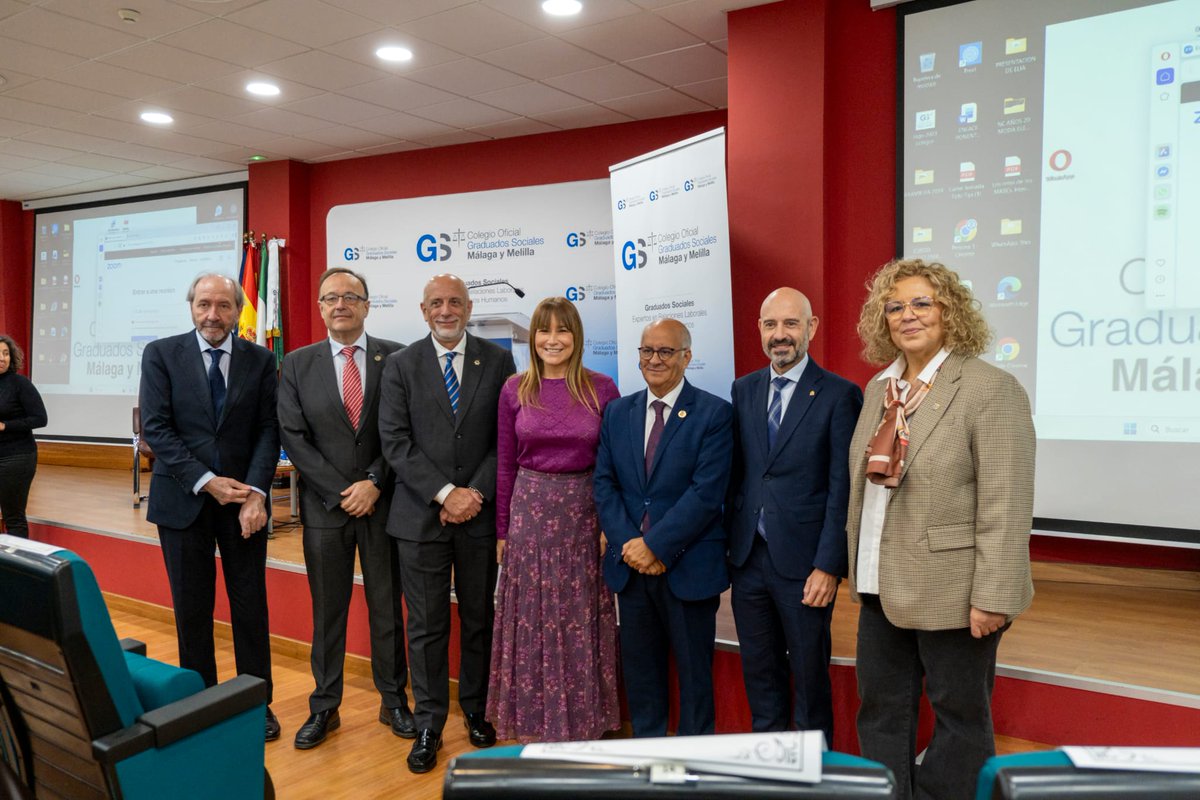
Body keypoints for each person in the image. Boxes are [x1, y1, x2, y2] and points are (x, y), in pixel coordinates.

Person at [846, 258, 1035, 800]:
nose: (908, 316)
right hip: (880, 582)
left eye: (921, 303)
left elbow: (1007, 502)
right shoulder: (878, 389)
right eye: (895, 307)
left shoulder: (989, 389)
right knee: (880, 710)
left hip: (954, 589)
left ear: (950, 311)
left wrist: (993, 595)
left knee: (959, 719)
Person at [379, 274, 516, 773]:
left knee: (480, 619)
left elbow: (507, 437)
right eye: (436, 303)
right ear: (422, 310)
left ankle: (476, 709)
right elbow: (394, 442)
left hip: (477, 519)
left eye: (454, 302)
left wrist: (473, 494)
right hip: (420, 519)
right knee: (427, 626)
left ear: (468, 306)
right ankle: (430, 720)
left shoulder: (498, 361)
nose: (445, 310)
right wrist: (444, 494)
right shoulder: (399, 364)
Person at [139, 272, 282, 741]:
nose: (212, 315)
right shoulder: (161, 354)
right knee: (192, 609)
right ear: (191, 306)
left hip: (245, 504)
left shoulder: (260, 360)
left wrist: (257, 492)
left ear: (238, 309)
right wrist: (207, 482)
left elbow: (268, 430)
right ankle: (201, 704)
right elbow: (156, 430)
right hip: (183, 500)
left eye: (223, 305)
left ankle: (256, 703)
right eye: (204, 304)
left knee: (250, 608)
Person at [278, 267, 412, 750]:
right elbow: (294, 437)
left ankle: (394, 700)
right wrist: (342, 492)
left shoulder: (395, 357)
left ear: (366, 305)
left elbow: (402, 431)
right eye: (331, 297)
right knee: (328, 611)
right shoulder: (296, 364)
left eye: (350, 296)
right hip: (325, 509)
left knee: (386, 609)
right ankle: (324, 706)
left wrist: (374, 481)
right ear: (319, 307)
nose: (340, 304)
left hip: (383, 504)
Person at [726, 288, 862, 745]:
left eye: (791, 324)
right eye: (770, 325)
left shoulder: (840, 395)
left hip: (805, 565)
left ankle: (812, 769)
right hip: (748, 559)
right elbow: (743, 474)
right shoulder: (743, 389)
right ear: (759, 329)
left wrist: (829, 565)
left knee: (808, 676)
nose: (780, 335)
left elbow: (842, 487)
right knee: (759, 672)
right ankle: (768, 759)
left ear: (812, 328)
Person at [486, 297, 621, 743]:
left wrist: (608, 524)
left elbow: (612, 465)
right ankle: (532, 718)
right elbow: (505, 463)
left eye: (562, 330)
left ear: (576, 337)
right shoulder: (515, 388)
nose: (553, 340)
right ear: (534, 338)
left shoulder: (602, 389)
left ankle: (583, 721)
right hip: (529, 510)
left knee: (580, 613)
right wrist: (503, 529)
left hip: (584, 513)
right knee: (531, 615)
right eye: (544, 331)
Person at [593, 318, 733, 737]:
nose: (654, 360)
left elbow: (707, 494)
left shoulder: (714, 413)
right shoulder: (619, 411)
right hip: (631, 572)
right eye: (646, 351)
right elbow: (605, 484)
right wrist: (629, 544)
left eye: (666, 352)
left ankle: (694, 770)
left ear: (686, 357)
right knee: (642, 679)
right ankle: (648, 764)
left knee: (694, 682)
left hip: (688, 568)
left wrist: (653, 546)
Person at [0, 335, 47, 539]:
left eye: (5, 353)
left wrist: (5, 426)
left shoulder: (20, 384)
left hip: (16, 457)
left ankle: (17, 568)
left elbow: (40, 418)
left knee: (13, 516)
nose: (2, 358)